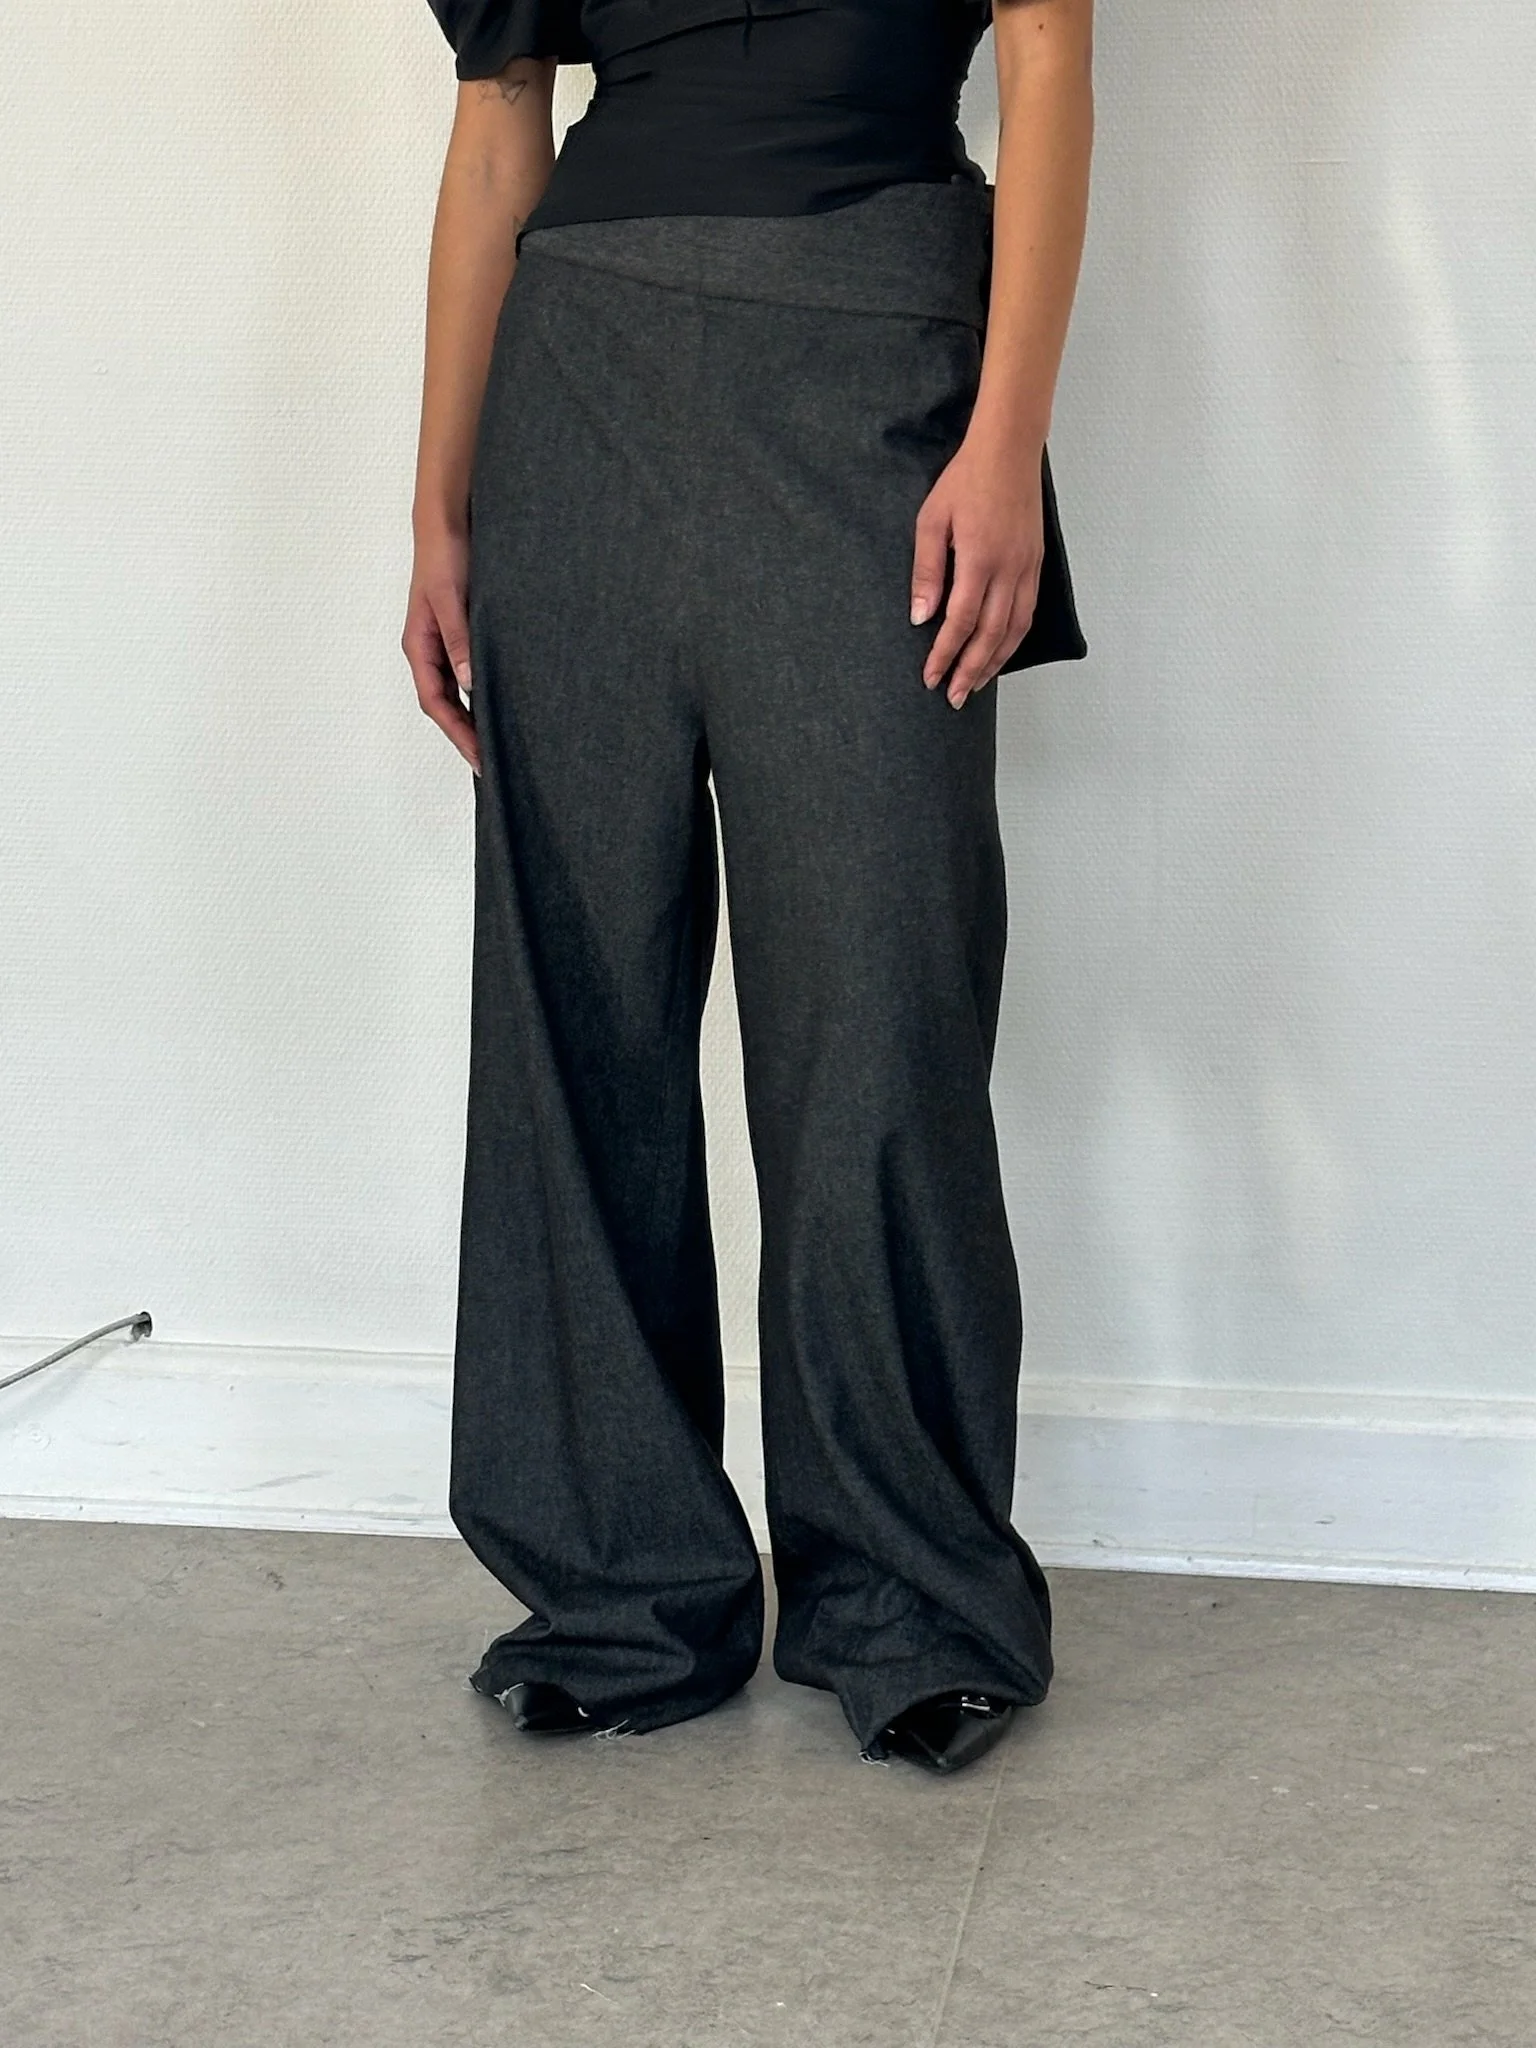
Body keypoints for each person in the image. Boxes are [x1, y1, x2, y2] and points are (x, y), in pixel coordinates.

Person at [404, 0, 1094, 1774]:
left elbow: (1047, 64)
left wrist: (1004, 439)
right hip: (577, 382)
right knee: (579, 1014)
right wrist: (439, 512)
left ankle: (912, 1595)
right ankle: (620, 1590)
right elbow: (497, 129)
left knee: (882, 1003)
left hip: (876, 359)